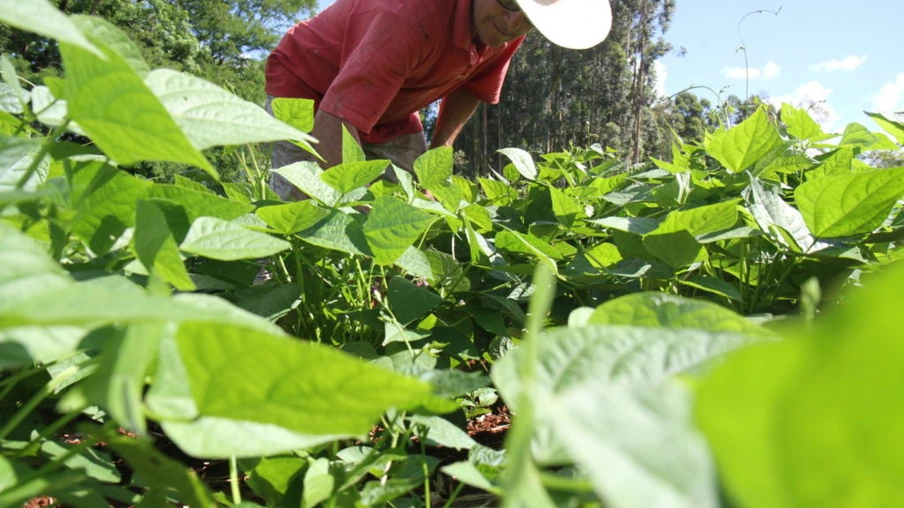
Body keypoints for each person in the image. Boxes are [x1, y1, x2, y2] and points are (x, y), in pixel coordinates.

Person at [265, 0, 612, 199]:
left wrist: (438, 154)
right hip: (311, 89)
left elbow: (473, 85)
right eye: (508, 0)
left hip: (392, 108)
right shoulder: (408, 15)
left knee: (414, 204)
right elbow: (336, 118)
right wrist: (359, 216)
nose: (511, 23)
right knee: (312, 208)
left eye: (528, 18)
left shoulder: (511, 23)